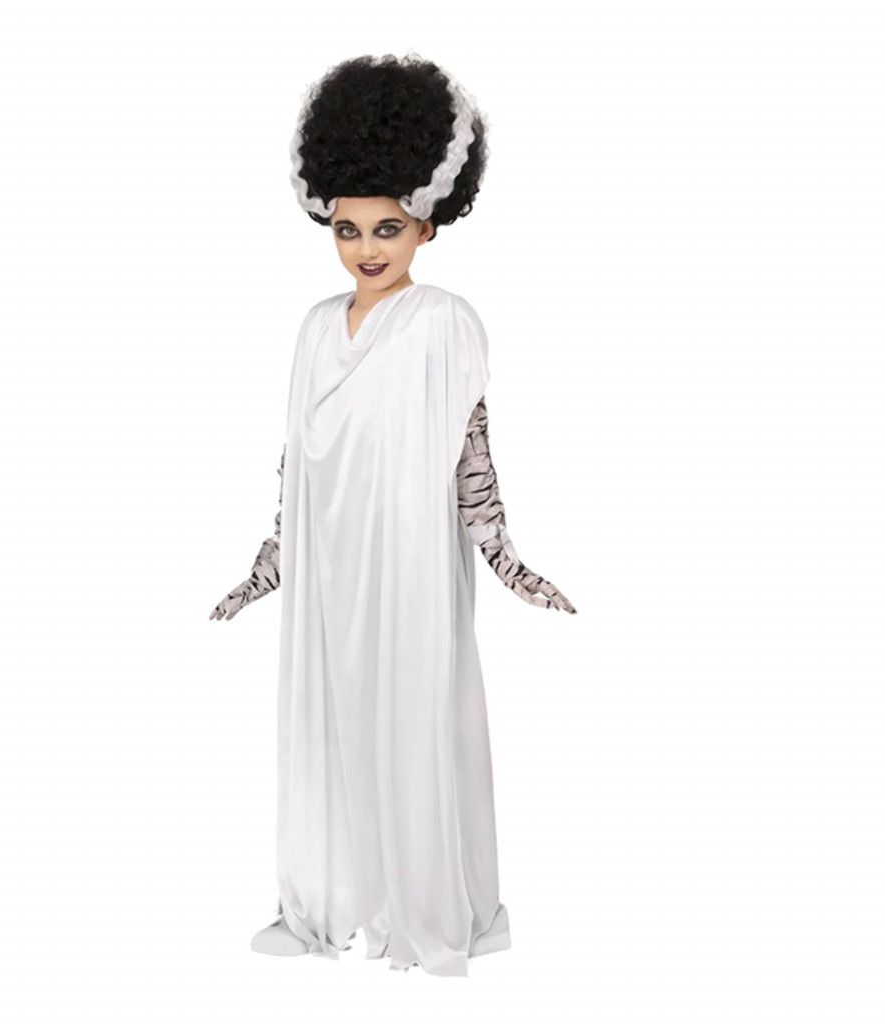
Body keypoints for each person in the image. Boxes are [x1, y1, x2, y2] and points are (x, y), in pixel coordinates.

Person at [209, 52, 576, 976]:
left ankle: (432, 908)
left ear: (427, 224)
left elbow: (470, 448)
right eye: (347, 228)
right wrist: (268, 564)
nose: (367, 248)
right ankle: (323, 903)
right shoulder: (313, 327)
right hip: (328, 567)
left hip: (407, 561)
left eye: (388, 227)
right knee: (328, 725)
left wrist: (506, 557)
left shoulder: (442, 321)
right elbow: (296, 460)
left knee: (413, 720)